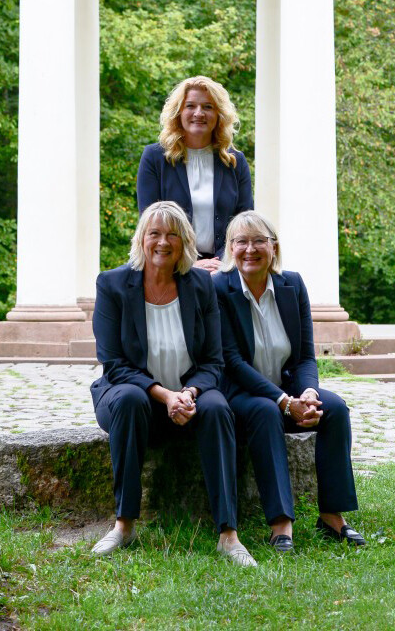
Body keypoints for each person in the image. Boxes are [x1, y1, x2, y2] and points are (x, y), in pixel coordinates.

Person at [88, 200, 255, 566]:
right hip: (133, 398)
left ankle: (228, 535)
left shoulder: (198, 285)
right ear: (142, 239)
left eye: (173, 235)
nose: (163, 242)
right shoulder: (113, 284)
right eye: (155, 233)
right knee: (131, 399)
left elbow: (213, 360)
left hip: (189, 395)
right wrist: (165, 396)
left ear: (185, 243)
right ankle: (124, 524)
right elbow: (113, 363)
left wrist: (189, 393)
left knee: (217, 407)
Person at [213, 209, 365, 552]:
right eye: (241, 242)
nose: (250, 250)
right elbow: (232, 361)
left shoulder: (291, 284)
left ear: (274, 248)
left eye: (258, 242)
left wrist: (308, 392)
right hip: (238, 392)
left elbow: (304, 357)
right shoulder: (218, 288)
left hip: (286, 388)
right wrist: (285, 402)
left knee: (335, 408)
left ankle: (331, 515)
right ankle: (281, 524)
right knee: (266, 412)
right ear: (229, 249)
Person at [136, 75, 253, 271]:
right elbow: (150, 225)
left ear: (219, 115)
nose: (199, 113)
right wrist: (190, 264)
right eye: (190, 106)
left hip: (224, 270)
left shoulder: (235, 161)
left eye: (208, 107)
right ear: (178, 113)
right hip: (170, 268)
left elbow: (244, 223)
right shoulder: (154, 158)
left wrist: (221, 265)